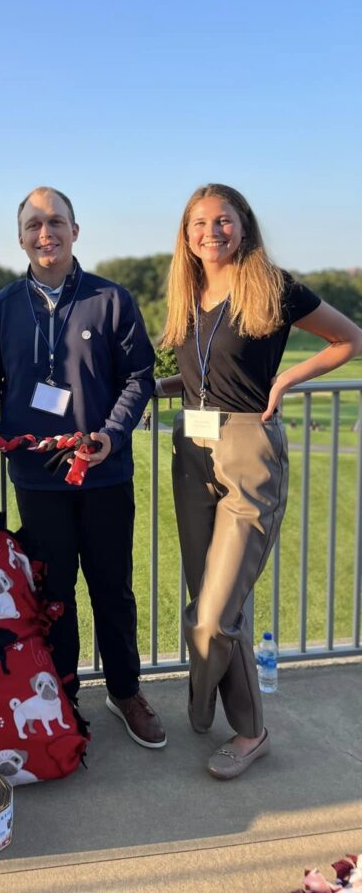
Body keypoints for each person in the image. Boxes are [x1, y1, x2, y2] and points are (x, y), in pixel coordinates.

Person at [157, 183, 362, 779]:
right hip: (191, 449)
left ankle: (199, 707)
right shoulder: (189, 291)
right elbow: (202, 376)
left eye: (223, 220)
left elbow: (349, 338)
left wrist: (286, 380)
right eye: (199, 222)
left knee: (214, 614)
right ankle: (250, 732)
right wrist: (152, 388)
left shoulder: (271, 285)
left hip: (248, 450)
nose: (210, 231)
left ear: (243, 225)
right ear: (186, 233)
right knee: (214, 601)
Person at [0, 186, 166, 749]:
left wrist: (111, 434)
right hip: (36, 477)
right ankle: (62, 695)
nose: (44, 233)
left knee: (112, 589)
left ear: (76, 230)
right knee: (54, 593)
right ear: (20, 237)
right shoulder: (1, 307)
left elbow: (139, 377)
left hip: (103, 471)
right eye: (33, 225)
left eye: (55, 222)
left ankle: (126, 692)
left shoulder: (112, 299)